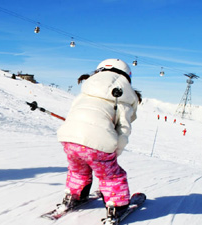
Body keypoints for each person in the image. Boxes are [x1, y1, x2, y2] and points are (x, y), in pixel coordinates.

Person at [56, 58, 142, 220]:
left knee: (78, 170)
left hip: (69, 139)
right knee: (112, 175)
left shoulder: (86, 92)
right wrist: (115, 150)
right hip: (99, 144)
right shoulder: (123, 98)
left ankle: (74, 196)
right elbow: (123, 129)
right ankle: (117, 207)